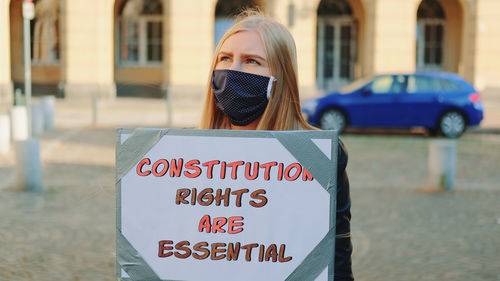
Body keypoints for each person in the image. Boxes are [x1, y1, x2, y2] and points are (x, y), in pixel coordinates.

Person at [199, 10, 353, 280]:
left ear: (279, 77)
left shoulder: (320, 156)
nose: (232, 71)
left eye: (251, 61)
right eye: (225, 58)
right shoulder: (187, 153)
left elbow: (336, 255)